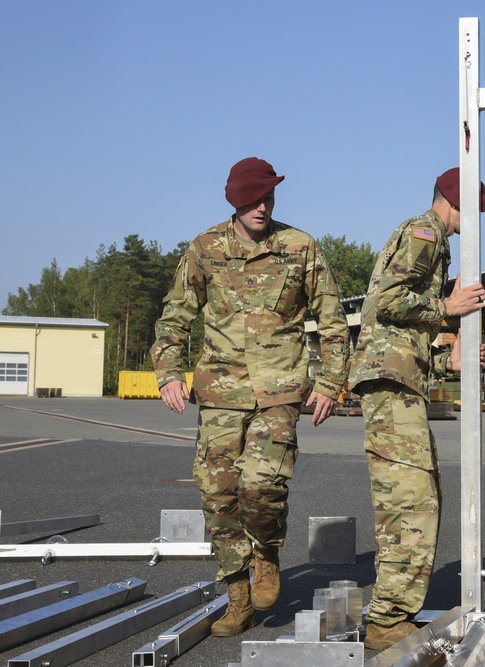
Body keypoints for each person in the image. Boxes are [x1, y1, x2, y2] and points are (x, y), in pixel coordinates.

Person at [150, 157, 350, 637]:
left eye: (269, 198)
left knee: (261, 486)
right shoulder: (205, 248)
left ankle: (267, 553)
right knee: (217, 495)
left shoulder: (299, 247)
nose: (262, 207)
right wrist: (168, 373)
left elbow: (333, 321)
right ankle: (237, 594)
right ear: (234, 199)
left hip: (279, 388)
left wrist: (329, 382)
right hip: (219, 392)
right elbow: (174, 317)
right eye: (253, 199)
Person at [349, 167, 485, 651]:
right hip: (389, 384)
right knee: (410, 501)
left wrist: (446, 355)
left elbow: (399, 331)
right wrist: (447, 309)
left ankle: (392, 613)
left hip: (398, 379)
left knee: (420, 494)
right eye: (475, 210)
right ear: (455, 201)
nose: (477, 222)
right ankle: (387, 618)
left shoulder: (432, 240)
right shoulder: (425, 232)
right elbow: (387, 301)